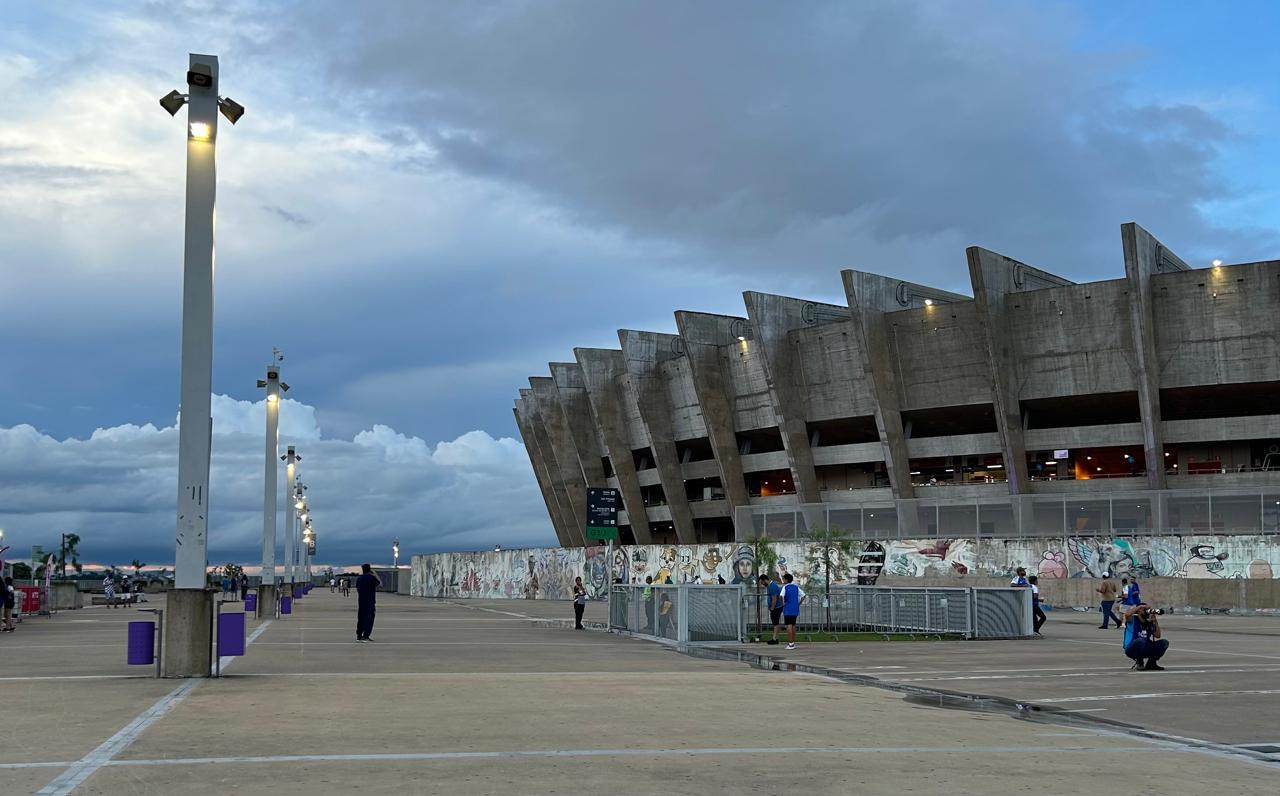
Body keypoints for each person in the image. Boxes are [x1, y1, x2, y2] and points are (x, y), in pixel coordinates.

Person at [1123, 603, 1168, 671]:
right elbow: (1127, 615)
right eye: (1144, 609)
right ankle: (1140, 663)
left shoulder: (1148, 622)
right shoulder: (1133, 619)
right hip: (1132, 649)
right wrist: (1140, 606)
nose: (1146, 611)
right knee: (1140, 641)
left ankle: (1151, 663)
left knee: (1164, 643)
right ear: (1138, 610)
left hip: (1145, 647)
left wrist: (1155, 621)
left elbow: (1157, 635)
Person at [354, 564, 381, 643]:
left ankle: (359, 636)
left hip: (361, 602)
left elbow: (357, 589)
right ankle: (366, 636)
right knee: (369, 619)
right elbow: (380, 584)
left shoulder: (359, 578)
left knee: (361, 619)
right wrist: (374, 574)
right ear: (369, 570)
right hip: (370, 602)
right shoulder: (371, 578)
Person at [780, 572, 806, 650]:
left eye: (784, 579)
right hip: (795, 608)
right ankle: (792, 642)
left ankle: (790, 643)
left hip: (788, 608)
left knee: (789, 625)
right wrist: (799, 603)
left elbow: (781, 596)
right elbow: (803, 595)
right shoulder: (796, 587)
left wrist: (783, 603)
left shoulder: (785, 587)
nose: (783, 580)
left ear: (786, 580)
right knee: (793, 624)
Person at [760, 573, 783, 645]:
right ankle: (775, 638)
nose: (762, 584)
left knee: (775, 623)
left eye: (762, 582)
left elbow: (774, 598)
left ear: (765, 580)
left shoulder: (772, 586)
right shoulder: (770, 586)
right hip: (775, 607)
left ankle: (774, 639)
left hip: (776, 607)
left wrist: (772, 608)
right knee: (775, 623)